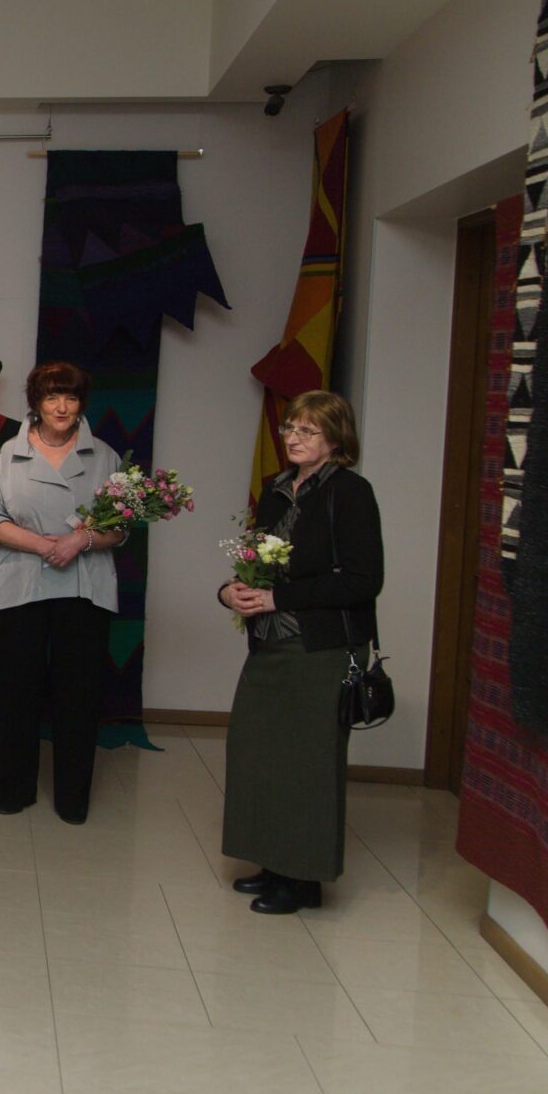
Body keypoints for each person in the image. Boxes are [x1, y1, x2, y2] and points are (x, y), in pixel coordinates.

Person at [219, 390, 383, 915]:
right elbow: (256, 562)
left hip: (322, 648)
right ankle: (273, 864)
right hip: (270, 643)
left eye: (307, 430)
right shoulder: (275, 489)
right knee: (259, 753)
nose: (293, 436)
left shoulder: (351, 492)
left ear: (335, 439)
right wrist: (231, 591)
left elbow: (363, 580)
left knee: (306, 763)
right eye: (290, 427)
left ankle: (303, 879)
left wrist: (278, 598)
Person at [0, 361, 126, 824]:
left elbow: (121, 526)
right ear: (36, 403)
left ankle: (72, 799)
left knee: (78, 695)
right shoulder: (9, 453)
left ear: (82, 403)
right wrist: (45, 545)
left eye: (71, 397)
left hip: (85, 587)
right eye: (51, 397)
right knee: (15, 691)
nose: (61, 407)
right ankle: (11, 790)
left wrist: (80, 541)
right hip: (21, 583)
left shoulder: (105, 456)